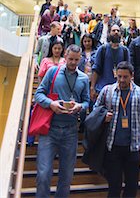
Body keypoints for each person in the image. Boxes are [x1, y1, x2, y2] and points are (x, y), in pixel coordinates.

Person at [34, 44, 89, 198]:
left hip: (71, 131)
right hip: (50, 129)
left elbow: (86, 102)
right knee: (43, 173)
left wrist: (79, 106)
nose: (72, 62)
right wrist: (51, 104)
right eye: (70, 59)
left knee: (66, 176)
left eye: (76, 60)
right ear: (65, 56)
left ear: (80, 60)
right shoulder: (52, 71)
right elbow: (38, 94)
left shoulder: (84, 78)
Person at [96, 61, 140, 198]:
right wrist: (103, 116)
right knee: (114, 186)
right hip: (112, 146)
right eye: (119, 76)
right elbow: (95, 110)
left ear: (131, 76)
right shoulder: (107, 91)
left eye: (125, 77)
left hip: (133, 147)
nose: (121, 80)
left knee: (131, 187)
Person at [90, 24, 130, 101]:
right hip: (102, 89)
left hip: (120, 90)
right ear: (109, 33)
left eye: (118, 31)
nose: (116, 32)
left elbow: (129, 71)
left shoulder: (125, 51)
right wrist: (92, 88)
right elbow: (96, 69)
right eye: (113, 30)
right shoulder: (102, 49)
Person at [78, 34, 97, 131]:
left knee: (92, 103)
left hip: (93, 80)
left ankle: (91, 124)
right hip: (82, 81)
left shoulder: (96, 52)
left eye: (89, 41)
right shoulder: (80, 53)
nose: (87, 43)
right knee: (82, 103)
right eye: (85, 41)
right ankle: (82, 123)